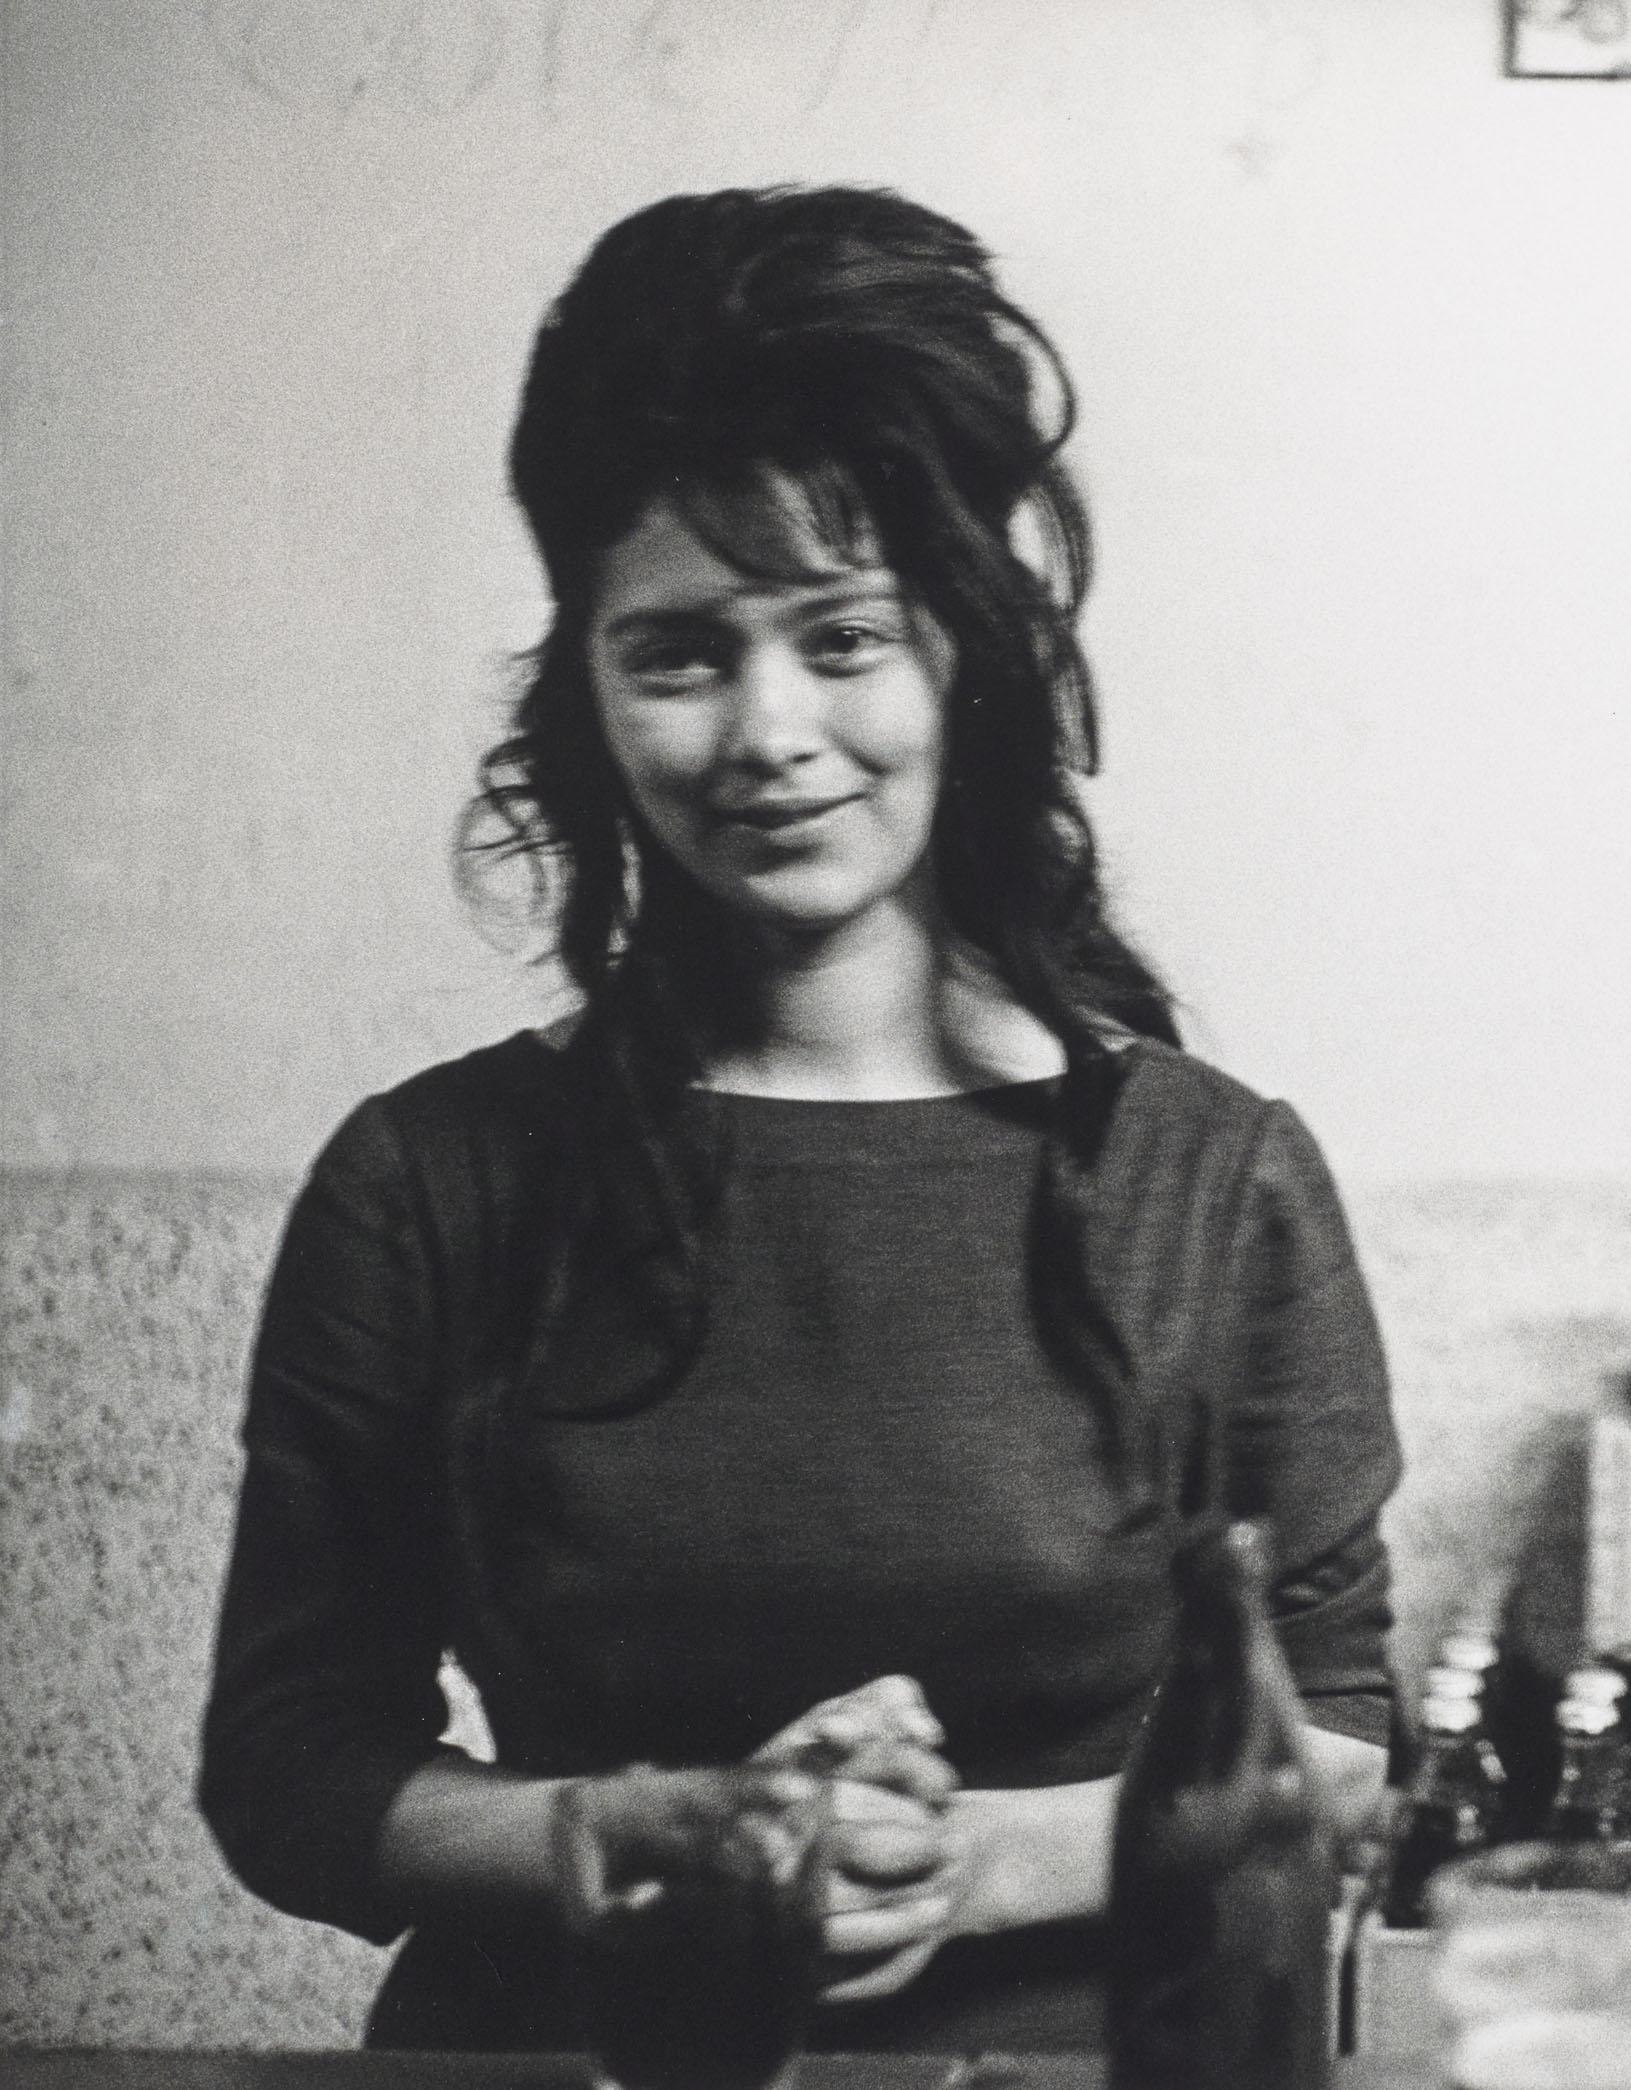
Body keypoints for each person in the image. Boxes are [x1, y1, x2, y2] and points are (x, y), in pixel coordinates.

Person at [197, 185, 1403, 2054]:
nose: (768, 728)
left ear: (964, 659)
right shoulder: (427, 1184)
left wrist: (966, 1858)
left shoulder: (1214, 1176)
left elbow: (1332, 1743)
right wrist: (611, 1837)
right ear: (588, 695)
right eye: (679, 651)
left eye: (844, 637)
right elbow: (286, 1761)